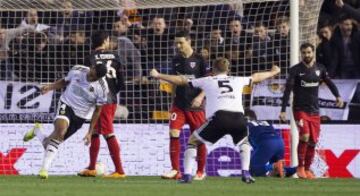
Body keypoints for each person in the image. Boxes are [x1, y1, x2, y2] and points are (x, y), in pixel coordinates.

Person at [150, 57, 281, 183]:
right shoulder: (237, 79)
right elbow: (256, 77)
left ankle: (187, 175)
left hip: (219, 118)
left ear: (212, 69)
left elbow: (181, 80)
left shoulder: (208, 80)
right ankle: (245, 173)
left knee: (193, 141)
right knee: (244, 143)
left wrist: (159, 75)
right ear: (228, 69)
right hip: (239, 119)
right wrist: (273, 72)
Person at [23, 62, 109, 179]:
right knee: (60, 131)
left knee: (51, 143)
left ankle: (37, 131)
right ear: (91, 67)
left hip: (81, 116)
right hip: (66, 103)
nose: (91, 78)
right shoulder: (78, 70)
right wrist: (50, 87)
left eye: (94, 78)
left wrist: (89, 132)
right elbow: (64, 81)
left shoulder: (102, 89)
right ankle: (44, 170)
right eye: (91, 74)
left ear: (99, 77)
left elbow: (98, 111)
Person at [279, 43, 344, 179]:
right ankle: (300, 167)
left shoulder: (320, 69)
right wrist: (283, 110)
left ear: (313, 52)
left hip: (314, 110)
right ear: (301, 54)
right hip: (299, 109)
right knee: (305, 136)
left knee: (313, 141)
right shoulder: (295, 70)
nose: (306, 55)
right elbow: (287, 91)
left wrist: (337, 96)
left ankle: (307, 169)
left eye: (309, 52)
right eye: (304, 53)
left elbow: (330, 83)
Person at [78, 31, 126, 178]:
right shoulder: (116, 57)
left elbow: (85, 81)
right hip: (110, 99)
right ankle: (92, 167)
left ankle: (120, 171)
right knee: (96, 132)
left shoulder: (89, 58)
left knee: (108, 132)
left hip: (98, 99)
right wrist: (111, 92)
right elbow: (121, 83)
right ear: (105, 41)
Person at [160, 30, 208, 180]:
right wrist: (172, 101)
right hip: (179, 105)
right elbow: (175, 81)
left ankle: (200, 171)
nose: (178, 46)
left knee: (199, 138)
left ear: (189, 41)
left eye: (181, 42)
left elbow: (207, 82)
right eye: (176, 43)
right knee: (173, 133)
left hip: (195, 106)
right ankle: (175, 170)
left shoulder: (200, 59)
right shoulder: (175, 60)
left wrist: (200, 97)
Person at [245, 109, 296, 178]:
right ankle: (296, 169)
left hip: (267, 143)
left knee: (253, 169)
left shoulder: (245, 125)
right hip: (279, 142)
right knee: (277, 172)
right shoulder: (265, 122)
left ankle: (275, 166)